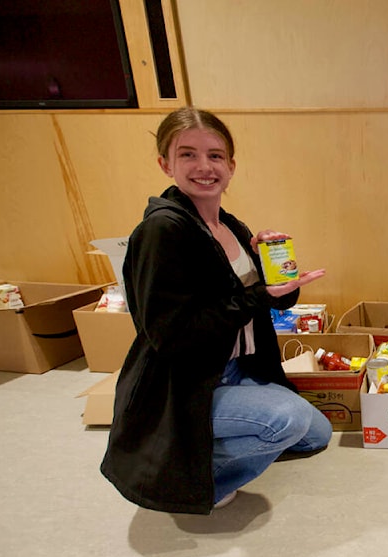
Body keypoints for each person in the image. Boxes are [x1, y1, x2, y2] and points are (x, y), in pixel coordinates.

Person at [100, 107, 332, 515]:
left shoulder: (230, 226)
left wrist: (274, 275)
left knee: (316, 434)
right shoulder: (163, 231)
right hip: (185, 383)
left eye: (215, 155)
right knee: (286, 421)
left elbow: (271, 302)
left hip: (237, 367)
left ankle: (216, 438)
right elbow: (170, 336)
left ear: (231, 165)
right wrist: (259, 295)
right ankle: (193, 480)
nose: (204, 167)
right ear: (165, 164)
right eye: (187, 154)